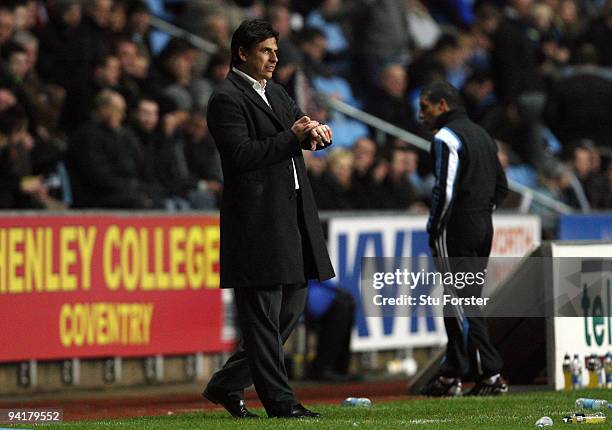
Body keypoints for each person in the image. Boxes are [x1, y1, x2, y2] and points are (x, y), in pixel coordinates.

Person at [202, 19, 335, 419]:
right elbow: (241, 156)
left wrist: (315, 133)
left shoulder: (275, 92)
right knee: (263, 315)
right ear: (242, 52)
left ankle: (226, 383)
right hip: (257, 220)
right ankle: (281, 403)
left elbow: (299, 129)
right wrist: (292, 137)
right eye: (266, 51)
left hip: (290, 214)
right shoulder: (226, 98)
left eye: (276, 51)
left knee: (289, 306)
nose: (275, 58)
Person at [419, 81, 508, 397]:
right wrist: (482, 212)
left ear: (442, 105)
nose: (421, 115)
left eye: (425, 108)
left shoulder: (446, 137)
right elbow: (502, 187)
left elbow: (445, 189)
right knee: (463, 298)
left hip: (456, 225)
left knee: (459, 300)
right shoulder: (483, 135)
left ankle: (490, 373)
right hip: (483, 222)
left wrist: (435, 226)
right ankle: (453, 373)